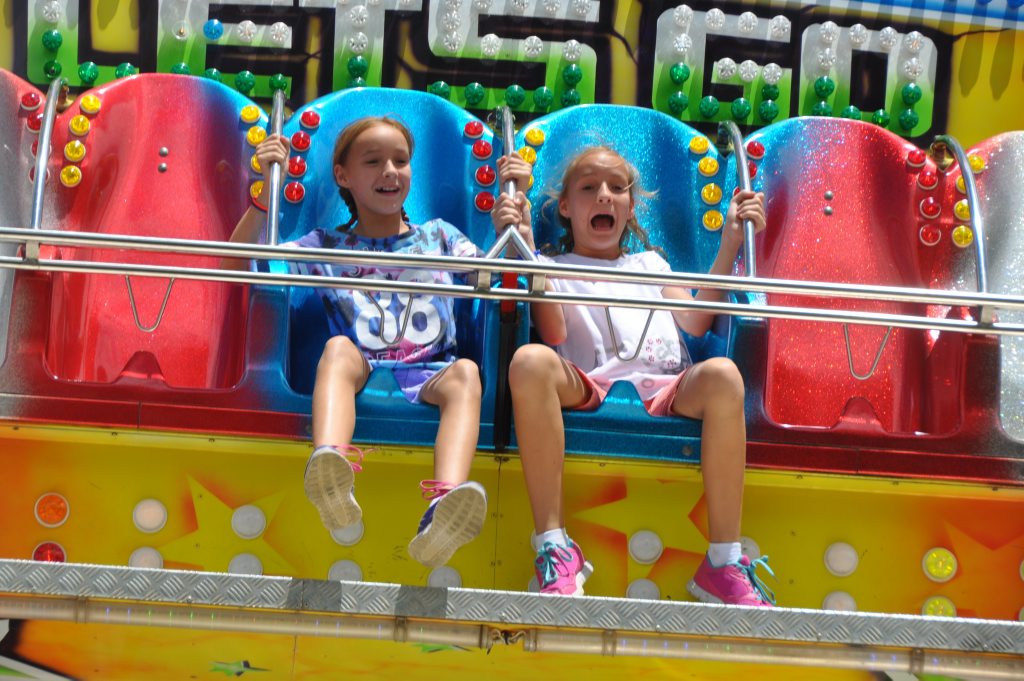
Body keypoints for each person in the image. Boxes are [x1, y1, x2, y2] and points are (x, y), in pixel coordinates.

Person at [490, 146, 775, 605]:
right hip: (590, 381)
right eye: (588, 188)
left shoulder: (650, 265)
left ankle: (723, 561)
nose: (604, 196)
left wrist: (730, 245)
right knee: (528, 361)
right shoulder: (554, 267)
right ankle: (554, 547)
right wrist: (524, 242)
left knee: (723, 374)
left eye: (616, 189)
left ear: (629, 206)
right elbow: (553, 330)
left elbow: (695, 322)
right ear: (566, 207)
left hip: (663, 385)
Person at [227, 116, 486, 569]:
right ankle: (330, 466)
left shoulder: (440, 237)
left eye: (400, 161)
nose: (390, 171)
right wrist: (264, 200)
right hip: (361, 368)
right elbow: (238, 264)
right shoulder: (324, 245)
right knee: (337, 350)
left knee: (466, 372)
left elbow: (494, 277)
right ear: (343, 176)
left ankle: (444, 505)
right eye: (374, 161)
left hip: (432, 371)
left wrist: (516, 222)